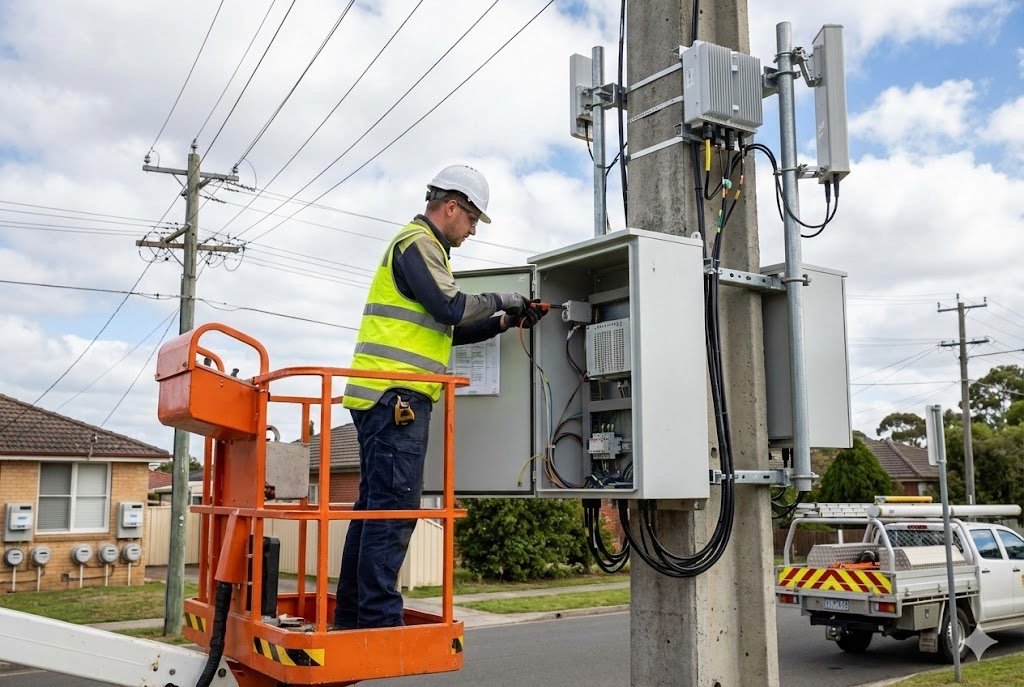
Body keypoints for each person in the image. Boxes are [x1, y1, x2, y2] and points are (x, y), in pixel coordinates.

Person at [334, 164, 546, 629]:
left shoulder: (421, 250)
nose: (471, 231)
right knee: (394, 512)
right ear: (452, 207)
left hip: (384, 399)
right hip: (397, 401)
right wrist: (503, 298)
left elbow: (447, 329)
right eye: (471, 220)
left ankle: (353, 615)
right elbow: (451, 306)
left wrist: (507, 322)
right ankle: (377, 620)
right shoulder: (419, 244)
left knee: (375, 509)